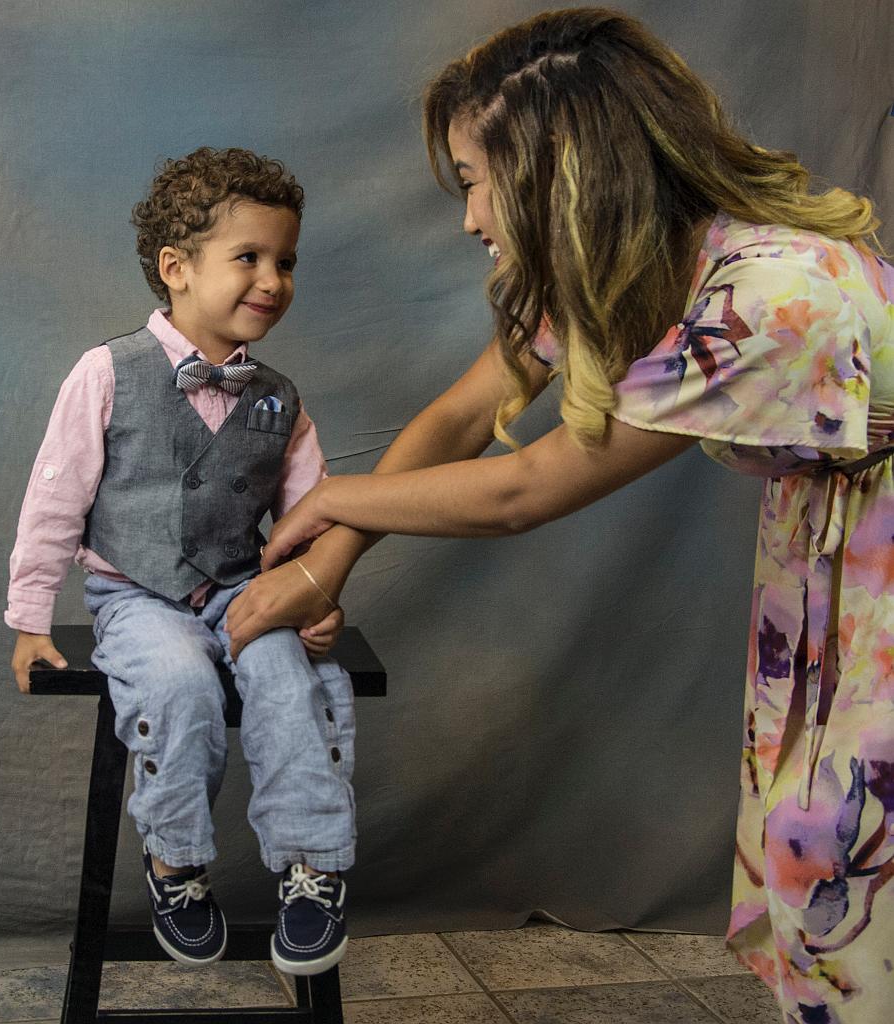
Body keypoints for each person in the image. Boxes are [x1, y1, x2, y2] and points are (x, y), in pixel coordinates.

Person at [224, 9, 894, 1023]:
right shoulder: (635, 266)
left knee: (848, 872)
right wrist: (330, 562)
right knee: (816, 864)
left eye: (474, 181)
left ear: (557, 172)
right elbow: (458, 419)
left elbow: (521, 491)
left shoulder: (769, 297)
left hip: (876, 566)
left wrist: (331, 500)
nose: (467, 219)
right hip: (831, 559)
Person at [6, 147, 355, 976]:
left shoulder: (278, 398)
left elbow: (313, 518)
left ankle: (311, 868)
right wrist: (29, 620)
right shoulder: (107, 373)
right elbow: (54, 500)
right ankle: (175, 862)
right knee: (177, 686)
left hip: (241, 589)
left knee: (288, 680)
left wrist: (316, 596)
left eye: (285, 262)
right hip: (136, 595)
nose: (271, 280)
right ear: (177, 268)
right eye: (248, 257)